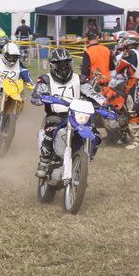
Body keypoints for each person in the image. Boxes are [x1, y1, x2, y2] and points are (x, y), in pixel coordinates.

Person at [31, 48, 105, 178]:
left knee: (96, 135)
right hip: (56, 116)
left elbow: (92, 93)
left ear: (70, 63)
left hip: (77, 116)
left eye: (66, 63)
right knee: (50, 128)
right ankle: (44, 161)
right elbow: (37, 93)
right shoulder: (45, 79)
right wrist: (38, 97)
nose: (63, 67)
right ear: (52, 65)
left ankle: (85, 158)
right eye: (59, 64)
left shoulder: (80, 79)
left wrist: (103, 103)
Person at [112, 34, 139, 149]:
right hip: (137, 82)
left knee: (131, 110)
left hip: (133, 84)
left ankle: (136, 140)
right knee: (128, 108)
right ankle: (126, 134)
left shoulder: (130, 54)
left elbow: (118, 68)